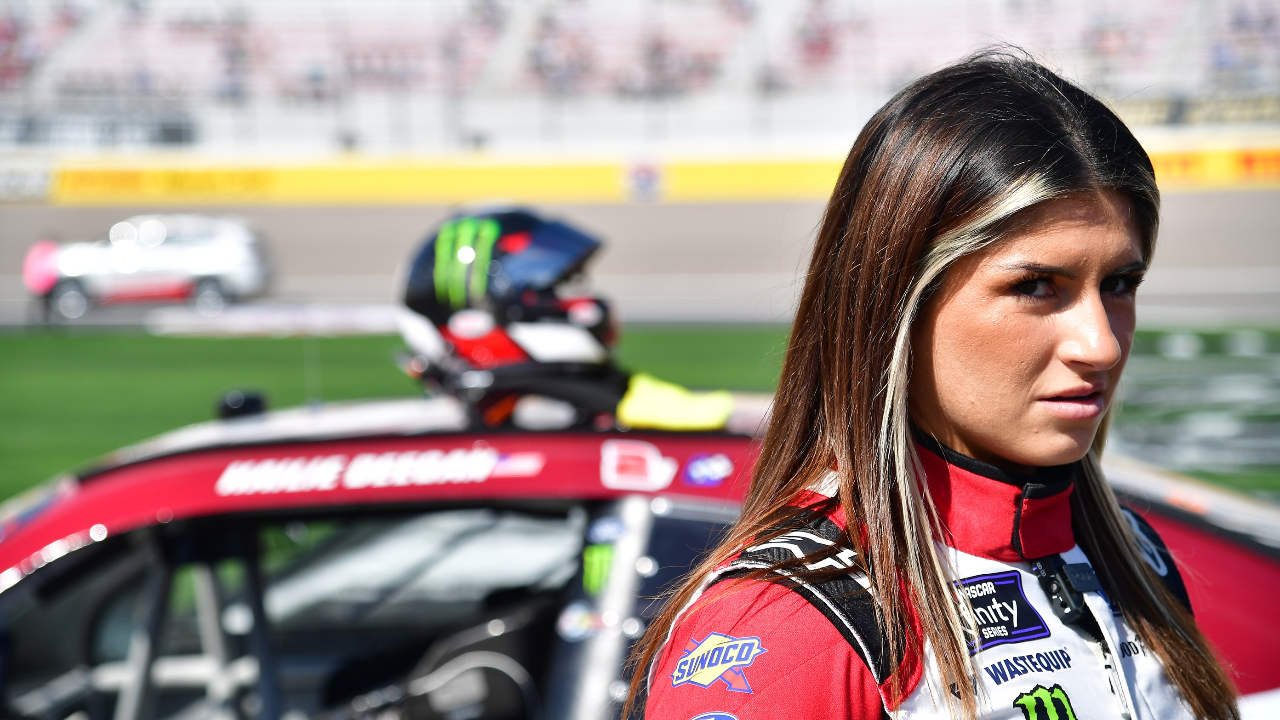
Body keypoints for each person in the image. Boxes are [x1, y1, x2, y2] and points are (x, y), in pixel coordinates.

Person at [628, 53, 1239, 720]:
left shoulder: (1136, 559)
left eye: (1119, 284)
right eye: (1036, 287)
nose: (1102, 344)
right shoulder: (786, 630)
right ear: (894, 306)